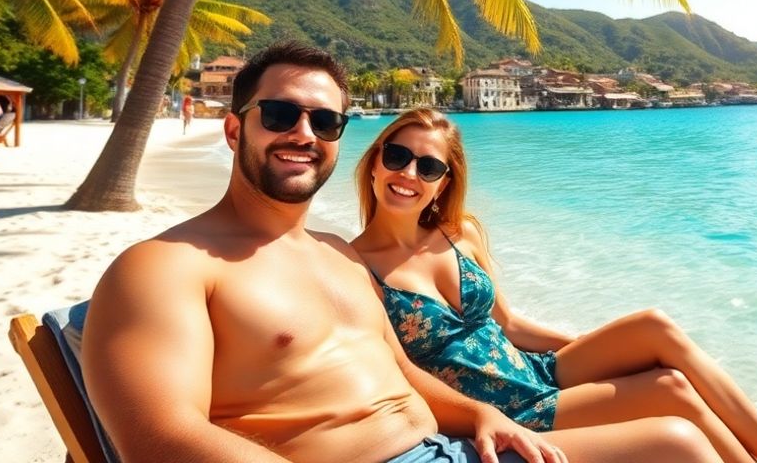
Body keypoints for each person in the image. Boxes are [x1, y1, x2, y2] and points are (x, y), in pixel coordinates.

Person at [81, 42, 722, 463]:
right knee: (677, 444)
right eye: (279, 114)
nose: (303, 134)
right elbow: (160, 438)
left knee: (678, 442)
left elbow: (401, 372)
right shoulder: (166, 266)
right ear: (233, 128)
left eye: (324, 122)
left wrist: (478, 414)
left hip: (453, 447)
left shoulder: (338, 256)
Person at [351, 110, 757, 463]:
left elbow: (509, 325)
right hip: (503, 408)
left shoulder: (459, 234)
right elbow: (394, 377)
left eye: (428, 166)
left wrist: (601, 354)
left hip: (534, 371)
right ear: (375, 161)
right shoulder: (355, 268)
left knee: (654, 329)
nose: (409, 174)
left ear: (442, 182)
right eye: (397, 156)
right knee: (670, 389)